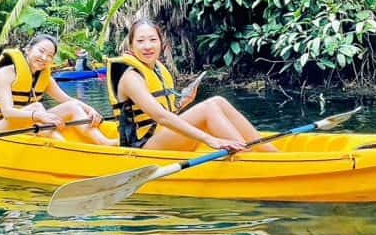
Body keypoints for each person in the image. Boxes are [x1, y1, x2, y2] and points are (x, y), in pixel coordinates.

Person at [106, 19, 278, 153]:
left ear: (161, 43)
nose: (148, 46)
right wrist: (210, 139)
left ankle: (271, 154)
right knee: (208, 108)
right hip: (141, 147)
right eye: (140, 41)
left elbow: (165, 112)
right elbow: (160, 117)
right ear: (131, 46)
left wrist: (183, 103)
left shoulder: (156, 68)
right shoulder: (130, 76)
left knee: (218, 101)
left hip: (159, 136)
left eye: (152, 40)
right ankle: (248, 158)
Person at [0, 34, 114, 146]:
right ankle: (63, 147)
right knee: (37, 107)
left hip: (31, 121)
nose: (44, 58)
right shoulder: (5, 73)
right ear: (28, 49)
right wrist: (39, 116)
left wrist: (90, 110)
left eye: (50, 56)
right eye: (41, 51)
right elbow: (8, 112)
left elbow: (68, 100)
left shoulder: (45, 79)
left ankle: (105, 143)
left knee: (72, 107)